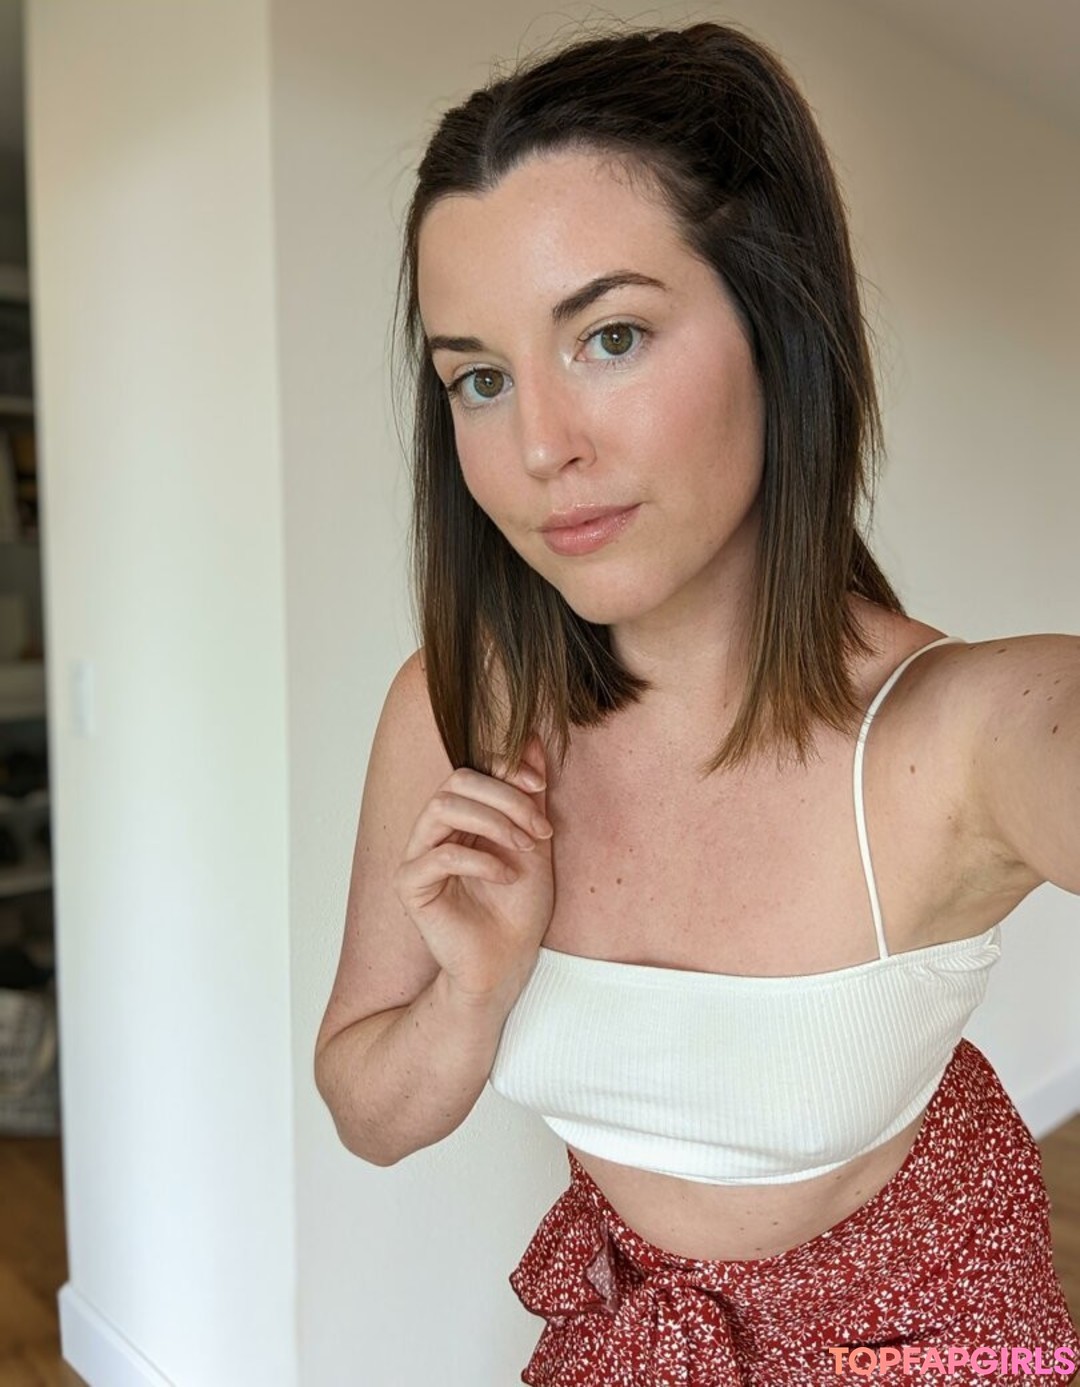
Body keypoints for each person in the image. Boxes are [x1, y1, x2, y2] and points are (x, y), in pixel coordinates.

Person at [314, 20, 1080, 1385]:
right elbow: (369, 1113)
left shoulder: (954, 734)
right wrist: (472, 993)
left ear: (781, 328)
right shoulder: (459, 707)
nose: (540, 446)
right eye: (480, 378)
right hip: (636, 1337)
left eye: (609, 337)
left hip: (927, 1329)